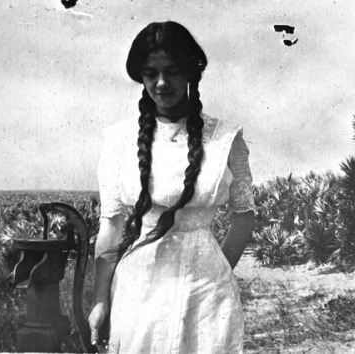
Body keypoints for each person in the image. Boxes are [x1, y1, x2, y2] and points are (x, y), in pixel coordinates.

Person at [88, 21, 255, 354]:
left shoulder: (225, 139)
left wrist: (216, 271)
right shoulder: (119, 139)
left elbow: (244, 217)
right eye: (151, 73)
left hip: (209, 296)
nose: (161, 83)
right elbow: (110, 227)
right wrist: (100, 299)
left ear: (191, 73)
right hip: (137, 290)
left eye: (173, 71)